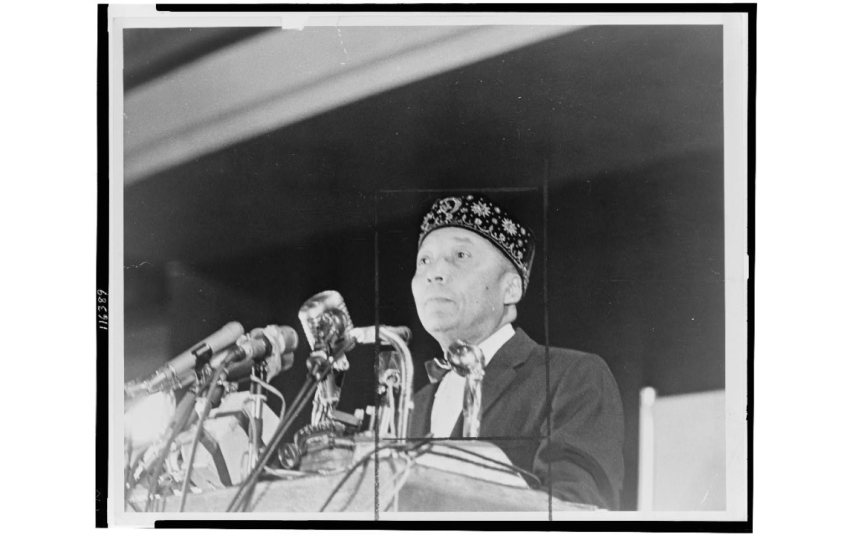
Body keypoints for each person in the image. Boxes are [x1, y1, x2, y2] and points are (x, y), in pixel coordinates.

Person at [408, 194, 625, 510]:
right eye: (424, 260)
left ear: (510, 288)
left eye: (460, 255)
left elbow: (577, 513)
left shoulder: (574, 377)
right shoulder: (416, 405)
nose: (434, 272)